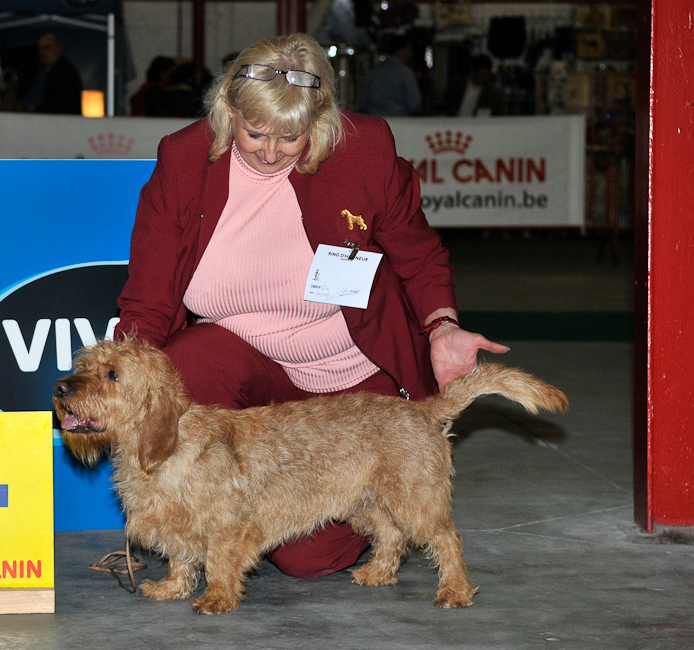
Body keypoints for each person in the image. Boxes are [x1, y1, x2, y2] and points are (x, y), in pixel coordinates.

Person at [114, 33, 508, 579]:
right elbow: (149, 292)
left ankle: (306, 514)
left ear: (319, 121)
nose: (271, 152)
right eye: (254, 134)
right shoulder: (183, 160)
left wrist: (443, 326)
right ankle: (209, 519)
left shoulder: (363, 149)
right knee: (189, 360)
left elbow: (419, 255)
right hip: (260, 375)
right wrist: (121, 374)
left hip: (355, 377)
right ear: (229, 112)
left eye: (291, 137)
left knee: (308, 560)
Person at [359, 33, 421, 117]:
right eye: (408, 49)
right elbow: (414, 104)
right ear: (400, 50)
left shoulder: (373, 72)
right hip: (401, 124)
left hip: (375, 122)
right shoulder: (405, 73)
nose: (410, 54)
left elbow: (362, 103)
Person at [24, 33, 83, 115]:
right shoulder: (55, 70)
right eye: (40, 49)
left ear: (58, 48)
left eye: (47, 47)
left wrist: (36, 109)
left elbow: (60, 105)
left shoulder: (64, 72)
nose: (42, 52)